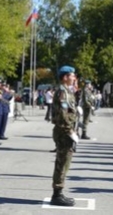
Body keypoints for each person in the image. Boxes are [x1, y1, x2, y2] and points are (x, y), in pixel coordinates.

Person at [50, 65, 78, 207]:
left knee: (64, 162)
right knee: (62, 162)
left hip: (65, 131)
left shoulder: (67, 91)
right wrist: (70, 131)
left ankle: (58, 192)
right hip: (63, 132)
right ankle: (57, 194)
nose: (74, 78)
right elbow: (62, 114)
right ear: (65, 77)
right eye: (72, 75)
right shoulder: (62, 92)